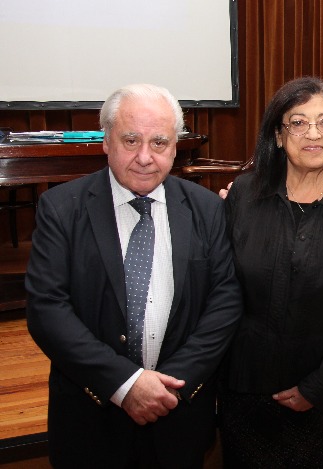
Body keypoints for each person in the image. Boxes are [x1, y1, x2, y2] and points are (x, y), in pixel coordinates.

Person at [25, 83, 243, 468]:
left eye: (159, 142)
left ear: (176, 146)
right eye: (130, 140)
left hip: (179, 415)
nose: (145, 157)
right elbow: (48, 310)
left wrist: (170, 386)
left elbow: (224, 301)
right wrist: (126, 385)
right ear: (106, 141)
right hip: (92, 418)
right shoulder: (60, 208)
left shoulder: (207, 209)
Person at [218, 76, 323, 468]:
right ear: (278, 135)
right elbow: (220, 291)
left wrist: (318, 387)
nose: (313, 133)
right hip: (244, 389)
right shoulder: (243, 196)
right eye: (298, 122)